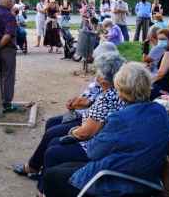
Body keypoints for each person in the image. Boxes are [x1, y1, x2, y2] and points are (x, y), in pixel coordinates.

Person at [42, 62, 169, 197]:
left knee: (52, 176)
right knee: (62, 167)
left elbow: (93, 152)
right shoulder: (160, 111)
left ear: (122, 91)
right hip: (145, 176)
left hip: (122, 182)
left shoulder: (121, 118)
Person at [12, 44, 121, 180]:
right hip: (88, 121)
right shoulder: (112, 85)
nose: (96, 73)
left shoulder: (109, 94)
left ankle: (40, 174)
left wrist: (73, 131)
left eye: (98, 70)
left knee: (53, 139)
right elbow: (90, 98)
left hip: (91, 132)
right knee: (52, 125)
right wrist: (78, 102)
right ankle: (40, 170)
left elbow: (88, 129)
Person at [36, 52, 127, 194]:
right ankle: (43, 184)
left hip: (98, 148)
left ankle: (45, 190)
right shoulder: (119, 92)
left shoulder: (108, 96)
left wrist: (73, 131)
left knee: (53, 150)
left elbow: (86, 133)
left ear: (104, 79)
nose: (96, 76)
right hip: (106, 144)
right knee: (54, 141)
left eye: (98, 73)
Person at [0, 0, 18, 112]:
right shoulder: (9, 16)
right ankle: (7, 103)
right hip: (7, 49)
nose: (13, 3)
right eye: (12, 1)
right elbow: (8, 35)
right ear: (8, 3)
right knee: (8, 76)